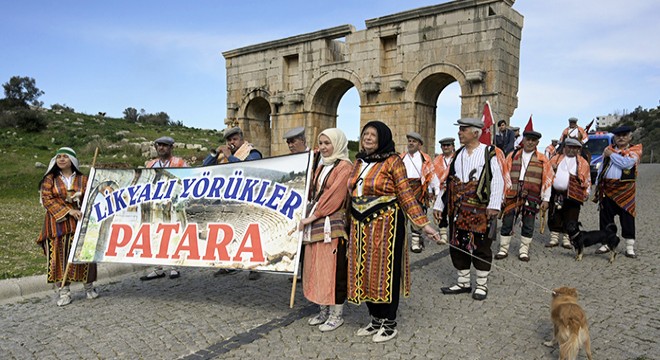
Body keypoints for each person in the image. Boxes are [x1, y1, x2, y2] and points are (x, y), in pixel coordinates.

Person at [347, 120, 442, 343]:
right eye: (365, 134)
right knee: (365, 269)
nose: (368, 138)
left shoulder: (393, 162)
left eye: (372, 135)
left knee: (384, 272)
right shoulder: (359, 161)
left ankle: (389, 322)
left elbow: (405, 194)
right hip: (360, 226)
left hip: (386, 224)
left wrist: (424, 224)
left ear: (382, 138)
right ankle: (375, 319)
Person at [432, 118, 507, 301]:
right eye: (460, 129)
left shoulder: (489, 153)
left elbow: (497, 179)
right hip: (458, 208)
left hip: (480, 208)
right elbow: (448, 181)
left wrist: (494, 205)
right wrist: (440, 204)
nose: (460, 133)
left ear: (475, 132)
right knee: (458, 244)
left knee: (481, 246)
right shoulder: (458, 155)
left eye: (463, 130)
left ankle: (481, 284)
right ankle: (463, 282)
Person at [297, 128, 352, 332]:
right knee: (315, 266)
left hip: (331, 225)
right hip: (316, 224)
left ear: (337, 143)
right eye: (320, 143)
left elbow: (334, 196)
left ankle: (336, 314)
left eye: (327, 143)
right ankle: (322, 309)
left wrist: (311, 216)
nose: (323, 147)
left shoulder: (344, 167)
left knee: (332, 269)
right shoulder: (321, 166)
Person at [37, 147, 98, 306]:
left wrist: (83, 198)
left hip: (80, 221)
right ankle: (64, 292)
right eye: (59, 157)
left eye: (65, 157)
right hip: (57, 223)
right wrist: (68, 210)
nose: (62, 159)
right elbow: (47, 199)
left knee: (84, 254)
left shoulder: (83, 179)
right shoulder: (50, 179)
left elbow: (92, 197)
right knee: (59, 257)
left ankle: (89, 287)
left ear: (73, 160)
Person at [204, 127, 263, 280]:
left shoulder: (252, 152)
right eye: (229, 140)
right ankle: (227, 264)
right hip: (227, 199)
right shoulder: (224, 154)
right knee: (227, 232)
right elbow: (205, 166)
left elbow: (248, 169)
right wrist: (215, 153)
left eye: (235, 139)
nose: (231, 142)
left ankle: (254, 267)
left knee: (250, 233)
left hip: (247, 199)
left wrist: (230, 157)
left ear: (242, 139)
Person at [495, 130, 553, 261]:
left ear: (537, 142)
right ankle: (503, 249)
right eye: (528, 139)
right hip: (512, 193)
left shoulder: (543, 159)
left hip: (532, 195)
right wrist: (501, 195)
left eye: (533, 140)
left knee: (528, 223)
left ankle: (524, 250)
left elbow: (548, 179)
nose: (530, 142)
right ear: (523, 140)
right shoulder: (512, 155)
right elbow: (503, 175)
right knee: (507, 221)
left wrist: (546, 199)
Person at [140, 136, 189, 281]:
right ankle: (157, 268)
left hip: (173, 205)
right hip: (155, 205)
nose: (161, 148)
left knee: (173, 234)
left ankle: (175, 266)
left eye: (165, 145)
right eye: (159, 145)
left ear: (171, 147)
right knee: (155, 235)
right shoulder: (151, 165)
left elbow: (186, 182)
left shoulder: (180, 163)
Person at [592, 126, 643, 258]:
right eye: (618, 135)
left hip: (625, 190)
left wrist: (612, 155)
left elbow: (626, 164)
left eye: (624, 135)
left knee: (627, 218)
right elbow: (602, 168)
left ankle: (629, 246)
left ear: (630, 137)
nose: (621, 138)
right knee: (605, 217)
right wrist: (597, 185)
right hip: (608, 188)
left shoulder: (635, 150)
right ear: (614, 137)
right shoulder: (608, 150)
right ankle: (606, 243)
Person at [545, 138, 591, 248]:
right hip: (556, 193)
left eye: (574, 148)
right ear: (565, 148)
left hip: (573, 194)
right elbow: (546, 173)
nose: (571, 150)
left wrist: (587, 192)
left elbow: (587, 179)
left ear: (578, 150)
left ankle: (567, 238)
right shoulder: (555, 159)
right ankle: (554, 238)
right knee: (554, 214)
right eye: (569, 147)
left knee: (571, 216)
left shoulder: (582, 162)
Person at [399, 131, 440, 253]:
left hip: (418, 189)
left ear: (419, 145)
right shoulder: (401, 158)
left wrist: (436, 191)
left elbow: (431, 176)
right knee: (401, 217)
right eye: (409, 141)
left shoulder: (425, 159)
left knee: (417, 215)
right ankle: (401, 242)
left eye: (414, 141)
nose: (411, 143)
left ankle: (416, 243)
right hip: (403, 188)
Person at [432, 137, 456, 244]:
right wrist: (435, 191)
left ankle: (454, 235)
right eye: (443, 146)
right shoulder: (437, 160)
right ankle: (443, 236)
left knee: (454, 213)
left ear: (453, 146)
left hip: (455, 189)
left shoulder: (457, 157)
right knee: (441, 212)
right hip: (441, 189)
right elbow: (433, 176)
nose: (446, 147)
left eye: (448, 145)